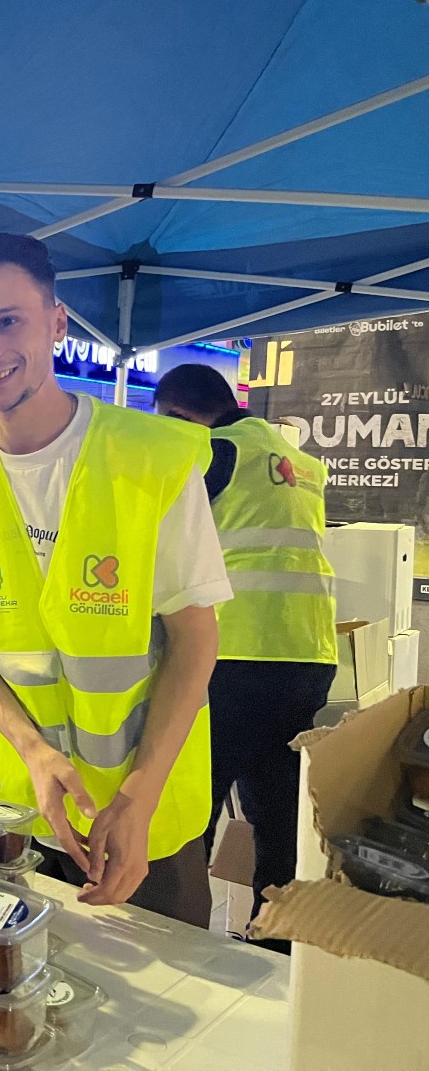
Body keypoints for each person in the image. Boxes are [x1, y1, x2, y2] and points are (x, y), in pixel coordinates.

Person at [0, 233, 231, 927]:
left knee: (164, 1007)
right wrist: (33, 749)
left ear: (56, 322)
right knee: (1, 1009)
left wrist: (137, 799)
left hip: (139, 811)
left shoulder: (152, 460)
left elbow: (196, 639)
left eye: (8, 322)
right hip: (8, 803)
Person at [155, 363, 337, 941]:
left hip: (232, 653)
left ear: (183, 418)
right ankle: (274, 937)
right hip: (308, 654)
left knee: (192, 803)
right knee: (276, 806)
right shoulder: (303, 461)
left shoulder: (212, 451)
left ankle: (180, 935)